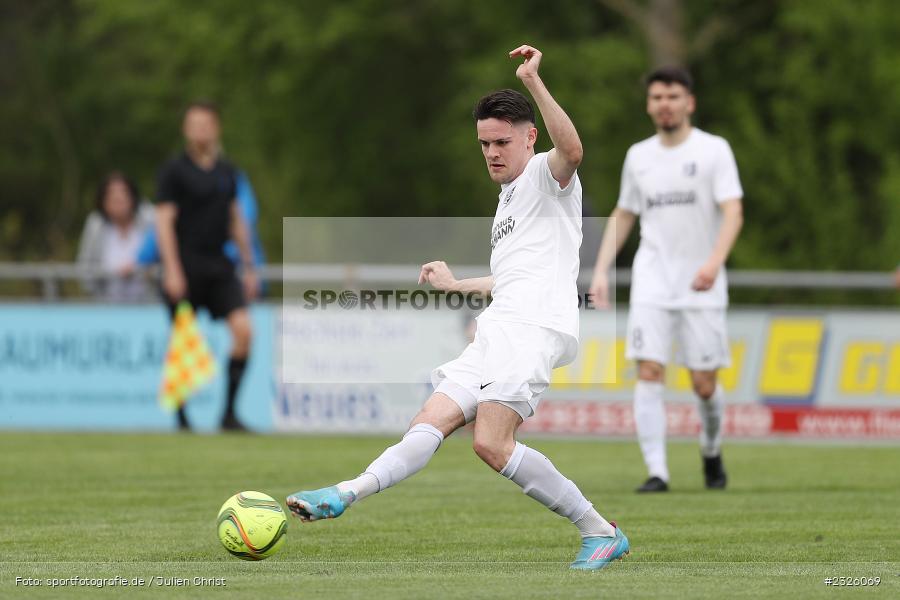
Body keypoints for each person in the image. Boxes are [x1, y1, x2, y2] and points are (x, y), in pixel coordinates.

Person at [286, 45, 629, 571]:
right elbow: (513, 277)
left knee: (491, 443)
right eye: (484, 143)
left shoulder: (545, 175)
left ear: (529, 137)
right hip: (500, 327)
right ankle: (345, 492)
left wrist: (535, 82)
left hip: (533, 329)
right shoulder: (509, 198)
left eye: (502, 141)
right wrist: (456, 284)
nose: (491, 152)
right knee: (431, 419)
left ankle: (600, 530)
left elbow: (575, 150)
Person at [588, 67, 744, 493]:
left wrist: (713, 263)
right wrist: (601, 270)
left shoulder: (714, 150)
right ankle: (658, 472)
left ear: (689, 102)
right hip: (652, 281)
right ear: (649, 105)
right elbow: (624, 214)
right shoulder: (639, 155)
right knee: (650, 370)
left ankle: (711, 450)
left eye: (673, 96)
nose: (665, 104)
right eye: (657, 97)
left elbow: (733, 211)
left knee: (703, 383)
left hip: (701, 283)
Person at [156, 101, 258, 432]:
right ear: (186, 129)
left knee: (243, 331)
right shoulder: (174, 171)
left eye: (206, 123)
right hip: (185, 263)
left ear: (216, 128)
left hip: (219, 264)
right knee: (185, 342)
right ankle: (182, 418)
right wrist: (172, 268)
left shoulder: (228, 172)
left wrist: (249, 266)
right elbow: (163, 221)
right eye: (193, 123)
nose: (200, 129)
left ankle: (229, 414)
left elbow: (236, 220)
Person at [76, 172, 155, 302]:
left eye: (123, 194)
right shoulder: (95, 225)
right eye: (111, 195)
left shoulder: (151, 220)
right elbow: (84, 268)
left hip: (148, 304)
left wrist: (139, 269)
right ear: (103, 201)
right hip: (108, 305)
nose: (118, 198)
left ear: (133, 197)